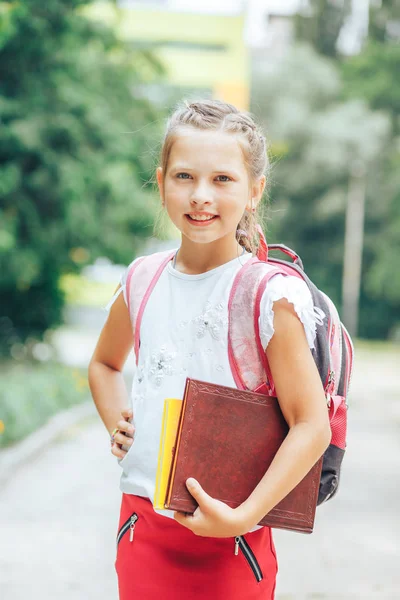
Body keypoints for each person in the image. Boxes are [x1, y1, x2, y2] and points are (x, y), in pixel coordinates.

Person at [88, 99, 331, 600]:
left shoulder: (268, 294)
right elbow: (105, 364)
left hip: (231, 539)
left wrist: (242, 518)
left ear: (254, 191)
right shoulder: (142, 279)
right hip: (142, 530)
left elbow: (312, 425)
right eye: (183, 177)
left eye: (222, 179)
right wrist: (120, 424)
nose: (201, 196)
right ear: (160, 183)